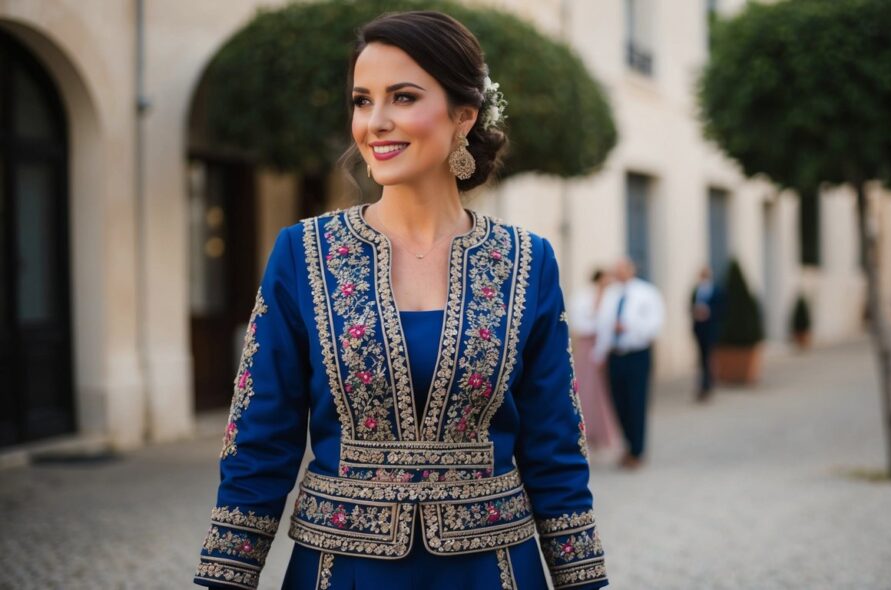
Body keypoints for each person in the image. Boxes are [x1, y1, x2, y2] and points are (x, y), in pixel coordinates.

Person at [193, 11, 607, 590]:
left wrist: (582, 579)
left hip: (493, 572)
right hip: (341, 571)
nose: (376, 122)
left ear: (464, 116)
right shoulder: (304, 253)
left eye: (403, 97)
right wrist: (225, 578)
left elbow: (554, 443)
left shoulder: (526, 261)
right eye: (362, 101)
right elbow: (261, 437)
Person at [591, 257, 664, 470]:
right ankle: (627, 444)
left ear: (632, 270)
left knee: (636, 401)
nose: (619, 273)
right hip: (615, 355)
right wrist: (599, 354)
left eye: (623, 269)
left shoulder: (647, 293)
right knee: (618, 402)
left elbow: (654, 325)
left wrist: (629, 326)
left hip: (637, 353)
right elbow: (602, 326)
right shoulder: (611, 295)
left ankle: (637, 450)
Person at [568, 268, 622, 453]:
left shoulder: (612, 296)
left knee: (605, 391)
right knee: (587, 389)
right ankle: (586, 430)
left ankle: (603, 432)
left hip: (606, 345)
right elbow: (579, 323)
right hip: (588, 346)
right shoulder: (583, 296)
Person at [690, 266, 726, 402]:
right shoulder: (696, 290)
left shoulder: (716, 290)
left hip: (711, 328)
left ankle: (708, 383)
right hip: (699, 329)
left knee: (709, 356)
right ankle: (704, 383)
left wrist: (709, 312)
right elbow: (690, 306)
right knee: (702, 357)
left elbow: (722, 308)